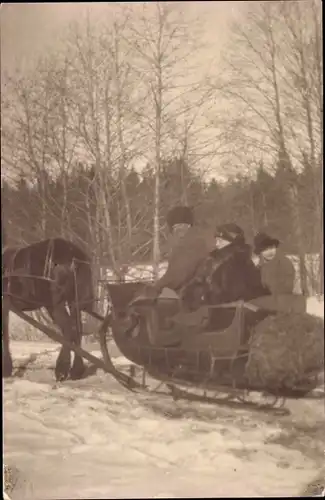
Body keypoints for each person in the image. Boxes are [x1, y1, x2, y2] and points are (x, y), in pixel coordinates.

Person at [204, 223, 268, 305]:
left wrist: (207, 297)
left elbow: (234, 295)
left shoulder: (239, 263)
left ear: (233, 242)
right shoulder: (213, 262)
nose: (217, 244)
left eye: (220, 241)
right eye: (216, 240)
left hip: (237, 312)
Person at [250, 231, 306, 314]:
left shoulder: (284, 263)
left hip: (287, 306)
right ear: (260, 252)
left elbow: (287, 287)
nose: (270, 252)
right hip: (267, 307)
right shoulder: (258, 268)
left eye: (271, 248)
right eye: (265, 249)